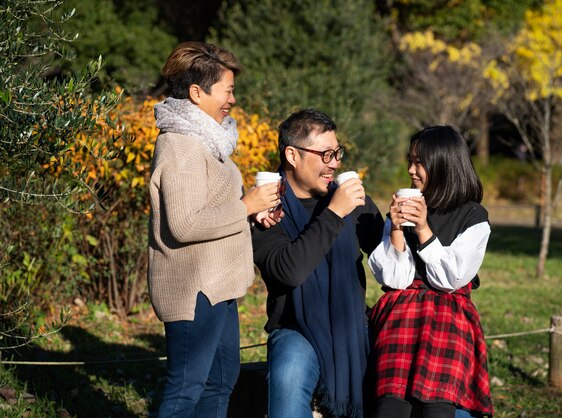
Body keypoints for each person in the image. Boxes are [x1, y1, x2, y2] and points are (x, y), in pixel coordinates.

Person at [148, 41, 282, 417]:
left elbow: (211, 208)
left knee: (221, 381)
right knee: (186, 390)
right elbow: (185, 223)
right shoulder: (181, 146)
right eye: (227, 90)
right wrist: (246, 205)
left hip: (218, 286)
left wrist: (252, 214)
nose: (233, 99)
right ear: (197, 92)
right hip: (194, 290)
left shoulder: (209, 141)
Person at [252, 108, 385, 418]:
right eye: (326, 154)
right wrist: (334, 213)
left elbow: (391, 262)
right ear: (292, 155)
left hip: (351, 323)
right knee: (288, 375)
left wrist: (406, 227)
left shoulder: (349, 200)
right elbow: (288, 271)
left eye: (337, 153)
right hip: (295, 326)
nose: (335, 163)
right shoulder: (266, 206)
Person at [367, 126, 493, 418]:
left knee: (435, 409)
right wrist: (397, 228)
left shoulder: (473, 216)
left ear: (443, 163)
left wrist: (423, 228)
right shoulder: (403, 208)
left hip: (449, 318)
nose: (411, 169)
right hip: (401, 315)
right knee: (390, 407)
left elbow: (451, 279)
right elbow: (395, 279)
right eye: (410, 161)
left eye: (419, 162)